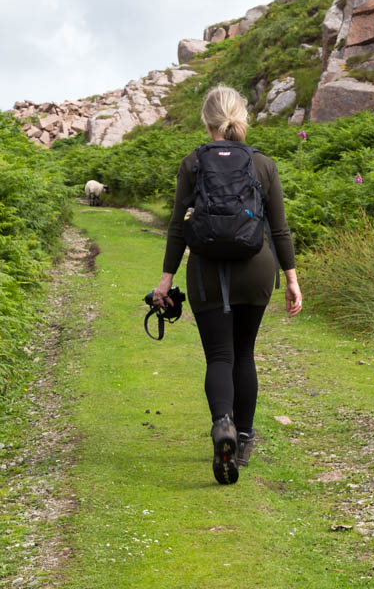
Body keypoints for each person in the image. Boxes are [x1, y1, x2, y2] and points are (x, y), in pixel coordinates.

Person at [151, 84, 303, 485]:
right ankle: (246, 436)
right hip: (256, 269)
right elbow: (280, 229)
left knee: (219, 355)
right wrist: (291, 279)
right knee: (245, 353)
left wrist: (165, 280)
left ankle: (223, 425)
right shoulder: (263, 165)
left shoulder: (192, 163)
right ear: (242, 118)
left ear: (207, 120)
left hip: (205, 271)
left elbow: (177, 227)